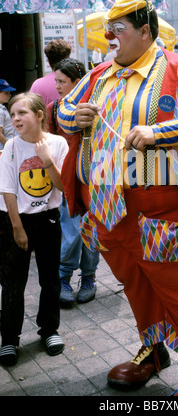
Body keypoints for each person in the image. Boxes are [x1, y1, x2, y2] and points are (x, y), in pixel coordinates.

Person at [58, 0, 178, 396]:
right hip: (109, 211)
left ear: (145, 31)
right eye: (107, 31)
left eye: (117, 30)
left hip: (163, 210)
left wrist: (159, 132)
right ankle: (153, 350)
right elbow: (64, 109)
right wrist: (74, 115)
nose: (109, 38)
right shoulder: (98, 75)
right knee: (136, 285)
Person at [0, 92, 68, 366]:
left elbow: (64, 187)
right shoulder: (11, 148)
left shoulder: (58, 143)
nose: (15, 118)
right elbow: (7, 189)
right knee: (13, 282)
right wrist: (17, 228)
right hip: (14, 220)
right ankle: (9, 339)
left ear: (40, 115)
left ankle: (49, 330)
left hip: (48, 218)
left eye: (22, 113)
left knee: (50, 278)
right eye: (13, 114)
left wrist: (47, 159)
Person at [46, 58, 100, 305]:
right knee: (72, 233)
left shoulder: (96, 108)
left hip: (94, 180)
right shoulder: (53, 109)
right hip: (67, 181)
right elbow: (46, 145)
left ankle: (89, 277)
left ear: (78, 83)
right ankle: (64, 277)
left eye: (62, 81)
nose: (57, 85)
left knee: (92, 232)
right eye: (55, 80)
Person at [30, 39, 71, 106]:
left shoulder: (37, 85)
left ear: (48, 61)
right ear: (69, 58)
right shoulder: (75, 82)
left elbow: (31, 108)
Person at [0, 79, 16, 150]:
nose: (9, 95)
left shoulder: (3, 108)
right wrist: (10, 148)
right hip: (6, 147)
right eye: (6, 93)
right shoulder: (0, 111)